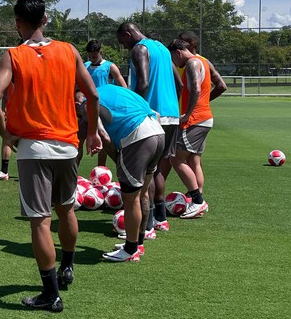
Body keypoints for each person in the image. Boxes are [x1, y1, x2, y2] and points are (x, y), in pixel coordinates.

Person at [0, 0, 100, 313]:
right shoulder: (69, 50)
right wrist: (90, 133)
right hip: (67, 146)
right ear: (45, 20)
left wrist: (6, 135)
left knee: (40, 222)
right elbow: (92, 94)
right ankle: (67, 267)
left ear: (18, 23)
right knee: (67, 211)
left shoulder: (14, 55)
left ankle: (50, 294)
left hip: (34, 148)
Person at [86, 84, 165, 262]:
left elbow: (104, 137)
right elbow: (156, 113)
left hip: (138, 137)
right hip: (158, 133)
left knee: (131, 199)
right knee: (142, 192)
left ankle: (130, 250)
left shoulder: (86, 101)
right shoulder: (112, 90)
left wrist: (120, 163)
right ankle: (138, 243)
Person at [116, 22, 179, 237]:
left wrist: (137, 112)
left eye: (122, 41)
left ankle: (148, 224)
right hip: (171, 114)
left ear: (127, 34)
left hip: (150, 115)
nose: (124, 47)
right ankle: (160, 218)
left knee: (145, 174)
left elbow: (142, 83)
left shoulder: (139, 49)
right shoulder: (162, 48)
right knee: (159, 169)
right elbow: (178, 84)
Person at [167, 39, 213, 219]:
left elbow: (194, 89)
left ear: (178, 52)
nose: (175, 64)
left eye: (173, 58)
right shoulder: (203, 61)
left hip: (195, 119)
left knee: (176, 159)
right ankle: (199, 199)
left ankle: (197, 200)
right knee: (194, 160)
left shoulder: (193, 63)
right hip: (204, 118)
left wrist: (186, 114)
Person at [83, 40, 127, 167]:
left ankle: (101, 169)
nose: (92, 59)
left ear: (100, 52)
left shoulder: (110, 67)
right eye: (90, 56)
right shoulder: (85, 66)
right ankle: (74, 176)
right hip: (86, 108)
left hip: (104, 108)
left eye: (94, 56)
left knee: (103, 139)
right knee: (79, 139)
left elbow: (123, 88)